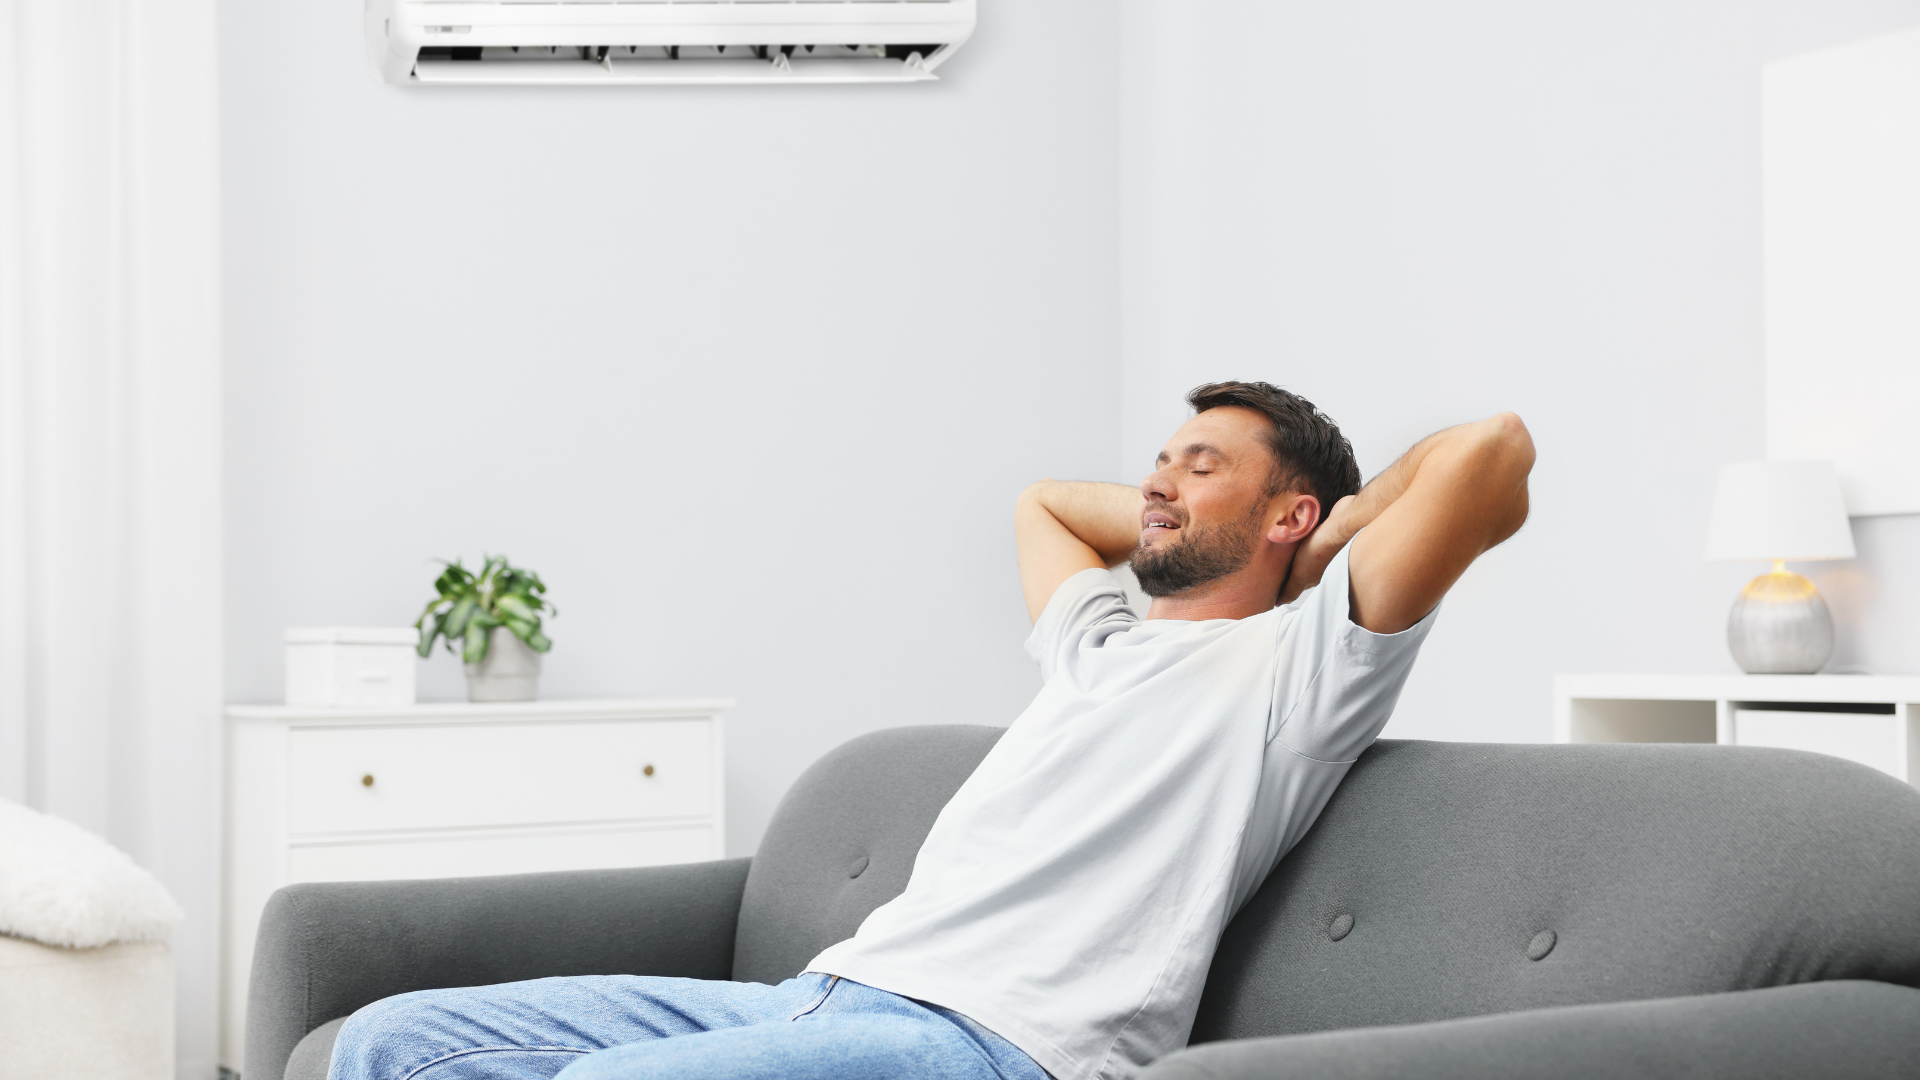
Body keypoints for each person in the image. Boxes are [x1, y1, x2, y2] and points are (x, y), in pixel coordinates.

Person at [328, 381, 1534, 1080]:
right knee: (393, 1045)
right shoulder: (1101, 641)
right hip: (828, 993)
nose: (1156, 483)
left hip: (998, 1046)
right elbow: (1044, 503)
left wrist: (1326, 542)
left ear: (1293, 511)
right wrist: (1203, 508)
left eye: (1199, 464)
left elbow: (1495, 453)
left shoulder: (1301, 666)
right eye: (1157, 461)